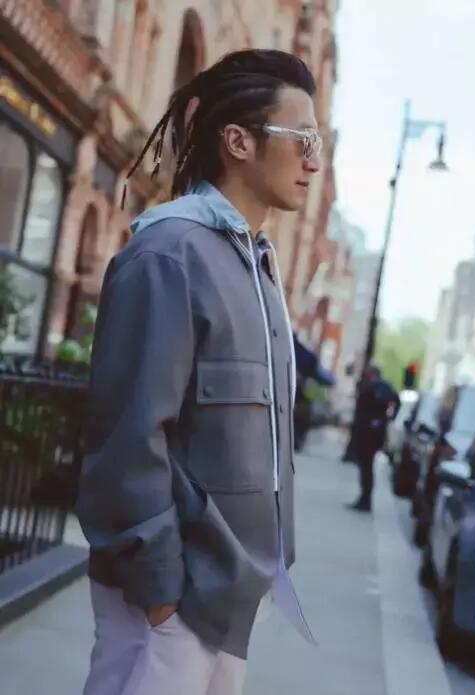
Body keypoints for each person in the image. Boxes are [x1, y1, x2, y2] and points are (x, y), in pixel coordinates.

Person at [76, 49, 321, 695]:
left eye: (318, 143)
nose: (314, 161)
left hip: (232, 598)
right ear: (237, 141)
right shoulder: (169, 254)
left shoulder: (256, 267)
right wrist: (161, 596)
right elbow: (128, 439)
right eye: (302, 139)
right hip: (170, 601)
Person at [347, 363, 400, 512]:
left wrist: (381, 419)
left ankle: (365, 498)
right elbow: (396, 401)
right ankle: (365, 497)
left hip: (368, 433)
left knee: (366, 466)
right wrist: (389, 417)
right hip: (374, 431)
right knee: (366, 466)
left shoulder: (376, 387)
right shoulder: (384, 387)